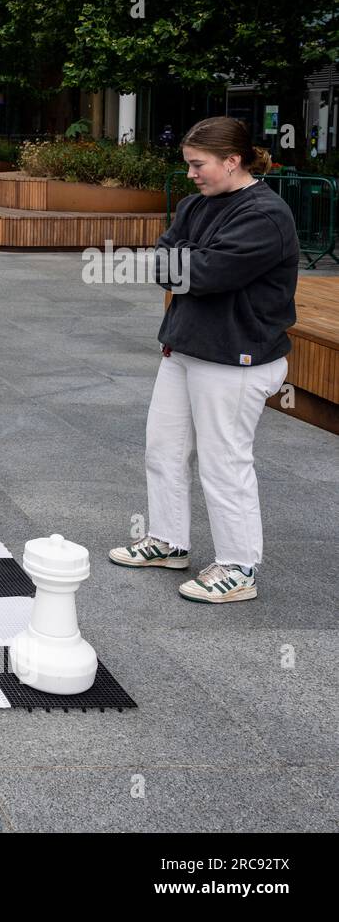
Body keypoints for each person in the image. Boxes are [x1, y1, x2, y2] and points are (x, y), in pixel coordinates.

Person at [109, 116, 296, 604]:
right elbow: (165, 263)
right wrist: (187, 260)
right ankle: (169, 541)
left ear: (232, 161)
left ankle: (238, 566)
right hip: (186, 348)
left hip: (237, 359)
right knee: (163, 449)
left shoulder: (265, 214)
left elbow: (207, 273)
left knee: (224, 462)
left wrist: (188, 260)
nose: (191, 174)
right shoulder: (196, 205)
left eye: (199, 164)